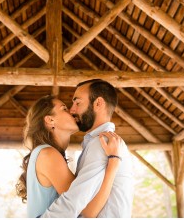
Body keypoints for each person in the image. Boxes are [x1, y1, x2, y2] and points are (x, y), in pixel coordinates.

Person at [16, 95, 125, 217]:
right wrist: (114, 162)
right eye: (64, 109)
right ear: (50, 120)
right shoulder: (48, 155)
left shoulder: (46, 153)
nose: (72, 112)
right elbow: (88, 210)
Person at [40, 79, 134, 217]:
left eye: (77, 103)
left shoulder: (101, 143)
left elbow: (79, 205)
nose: (72, 110)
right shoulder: (100, 142)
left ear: (98, 103)